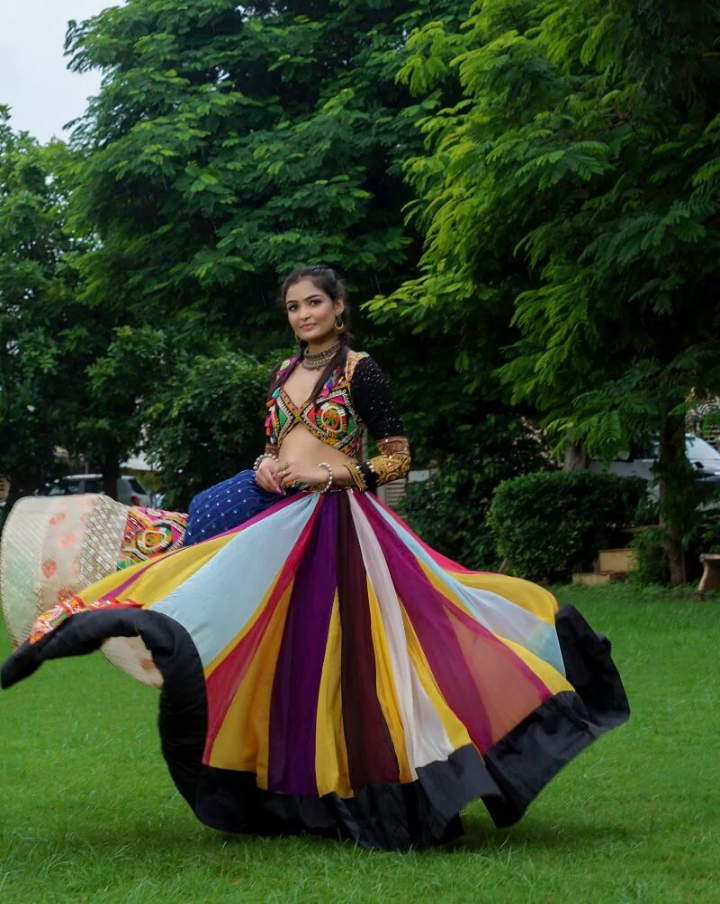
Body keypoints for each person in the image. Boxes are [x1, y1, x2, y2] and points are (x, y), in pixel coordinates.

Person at [0, 265, 629, 851]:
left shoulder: (360, 370)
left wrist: (341, 476)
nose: (303, 315)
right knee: (290, 653)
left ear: (339, 306)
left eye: (314, 303)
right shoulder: (280, 373)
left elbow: (399, 457)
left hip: (343, 525)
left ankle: (392, 792)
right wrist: (265, 467)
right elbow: (273, 446)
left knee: (362, 658)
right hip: (284, 523)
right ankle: (296, 798)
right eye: (293, 306)